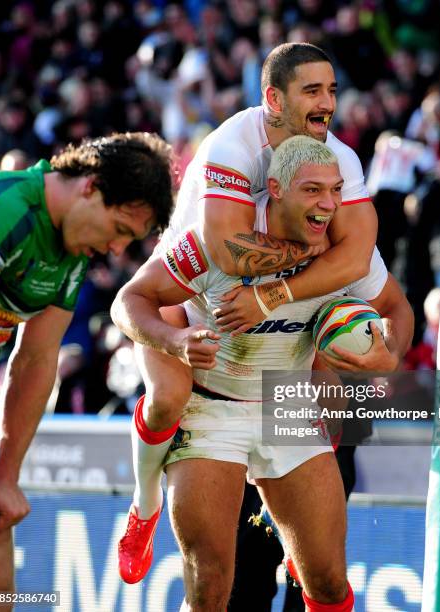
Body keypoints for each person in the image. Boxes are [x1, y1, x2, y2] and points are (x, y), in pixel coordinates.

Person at [112, 136, 414, 611]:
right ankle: (143, 505)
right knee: (213, 588)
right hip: (211, 410)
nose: (329, 205)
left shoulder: (346, 250)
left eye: (336, 191)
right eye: (313, 190)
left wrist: (388, 355)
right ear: (273, 188)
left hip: (286, 407)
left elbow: (396, 308)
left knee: (329, 584)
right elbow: (128, 300)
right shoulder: (217, 241)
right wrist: (175, 342)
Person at [116, 42, 379, 576]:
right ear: (273, 99)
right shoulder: (232, 143)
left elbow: (356, 257)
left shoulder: (338, 158)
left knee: (330, 385)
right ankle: (143, 507)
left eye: (332, 89)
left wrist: (276, 294)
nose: (328, 102)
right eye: (313, 90)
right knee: (169, 396)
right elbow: (227, 250)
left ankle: (292, 506)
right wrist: (311, 252)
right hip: (186, 295)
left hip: (260, 334)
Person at [0, 131, 174, 608]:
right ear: (89, 187)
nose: (116, 250)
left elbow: (34, 358)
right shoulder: (4, 211)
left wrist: (5, 475)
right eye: (118, 229)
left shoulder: (70, 254)